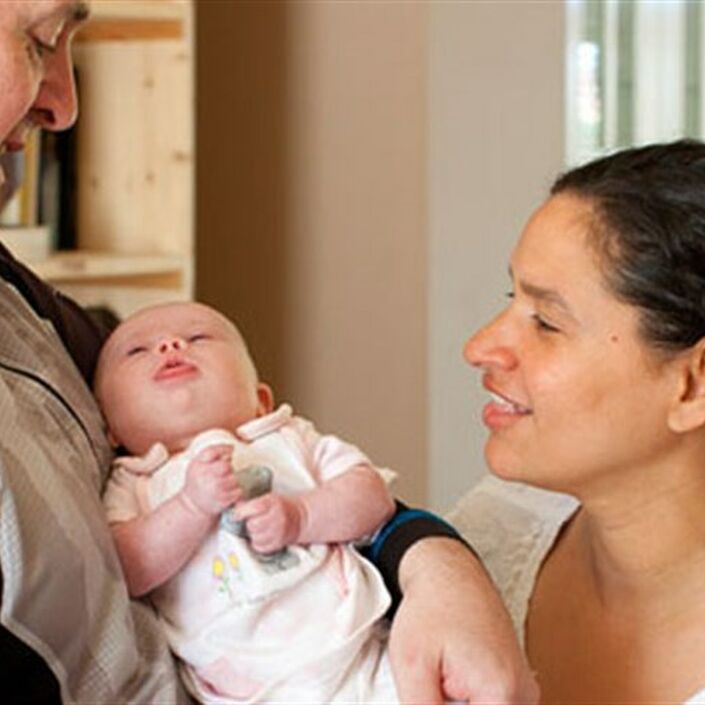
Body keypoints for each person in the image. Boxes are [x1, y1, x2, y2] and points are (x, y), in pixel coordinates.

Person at [0, 1, 538, 703]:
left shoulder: (29, 311)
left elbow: (350, 496)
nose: (64, 106)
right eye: (39, 41)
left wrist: (438, 569)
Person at [451, 138, 705, 703]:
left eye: (545, 321)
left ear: (694, 382)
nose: (478, 347)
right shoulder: (488, 537)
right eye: (509, 297)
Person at [96, 300, 401, 703]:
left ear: (260, 400)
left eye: (198, 337)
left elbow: (372, 498)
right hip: (250, 686)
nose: (170, 345)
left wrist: (301, 515)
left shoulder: (284, 436)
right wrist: (190, 506)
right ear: (110, 428)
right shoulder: (134, 482)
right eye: (137, 351)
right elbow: (126, 570)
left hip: (357, 644)